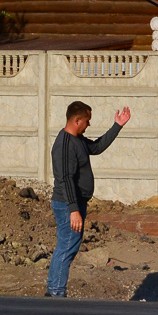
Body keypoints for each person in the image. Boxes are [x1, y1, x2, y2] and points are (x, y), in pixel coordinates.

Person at [46, 101, 131, 298]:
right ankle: (55, 293)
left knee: (68, 245)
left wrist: (117, 125)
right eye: (87, 121)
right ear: (76, 120)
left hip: (75, 203)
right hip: (68, 204)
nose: (89, 125)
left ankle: (54, 290)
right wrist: (73, 210)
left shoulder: (78, 140)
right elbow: (65, 179)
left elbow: (97, 147)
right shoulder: (65, 144)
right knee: (67, 245)